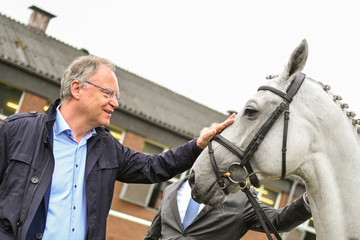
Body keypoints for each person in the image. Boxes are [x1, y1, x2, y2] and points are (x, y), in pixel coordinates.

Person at [0, 55, 235, 240]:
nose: (115, 102)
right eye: (108, 93)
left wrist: (197, 146)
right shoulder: (18, 131)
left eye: (116, 96)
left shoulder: (107, 148)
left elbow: (155, 166)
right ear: (77, 89)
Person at [144, 177, 312, 240]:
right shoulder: (171, 190)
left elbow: (277, 221)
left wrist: (310, 198)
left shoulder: (242, 197)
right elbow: (153, 236)